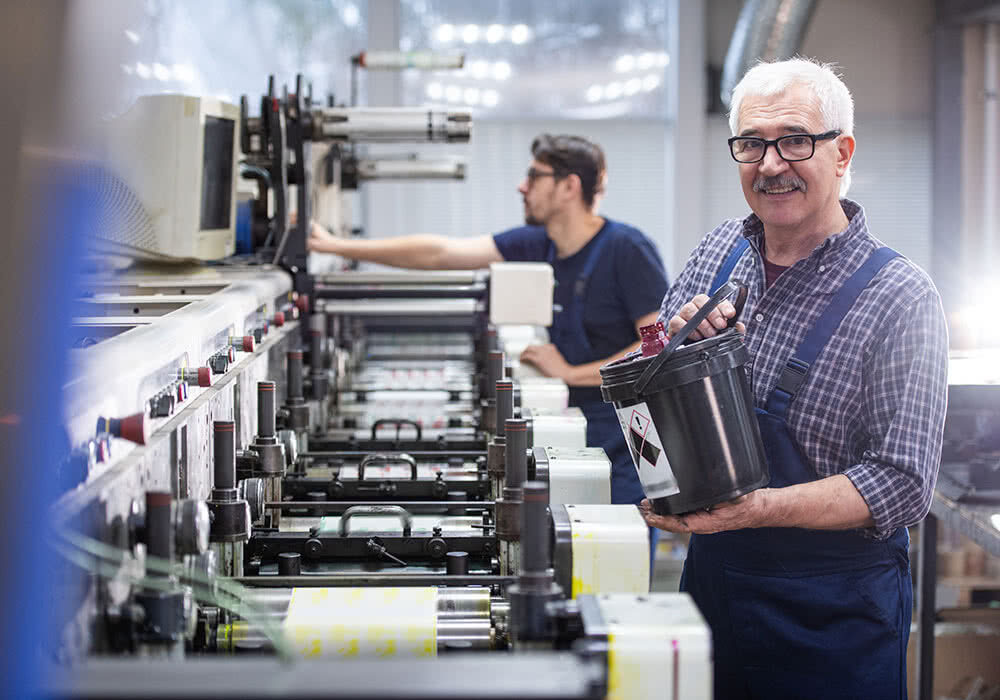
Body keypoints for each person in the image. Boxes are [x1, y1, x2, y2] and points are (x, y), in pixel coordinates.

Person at [642, 58, 948, 699]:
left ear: (843, 153)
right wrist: (673, 354)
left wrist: (758, 510)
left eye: (795, 140)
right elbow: (651, 388)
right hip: (714, 590)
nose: (771, 163)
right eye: (752, 143)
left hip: (834, 620)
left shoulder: (900, 296)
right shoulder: (717, 251)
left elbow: (901, 484)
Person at [308, 134, 669, 513]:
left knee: (617, 553)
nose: (522, 186)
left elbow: (657, 347)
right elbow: (441, 253)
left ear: (569, 186)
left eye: (534, 175)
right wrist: (335, 246)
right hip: (580, 433)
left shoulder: (626, 249)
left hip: (633, 440)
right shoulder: (541, 243)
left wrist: (572, 372)